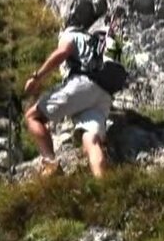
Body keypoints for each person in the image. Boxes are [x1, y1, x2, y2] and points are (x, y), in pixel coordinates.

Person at [23, 13, 120, 178]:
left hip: (83, 84)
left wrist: (36, 77)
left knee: (33, 116)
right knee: (91, 140)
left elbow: (62, 52)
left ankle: (50, 163)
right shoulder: (94, 40)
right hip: (104, 94)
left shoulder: (70, 35)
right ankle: (102, 183)